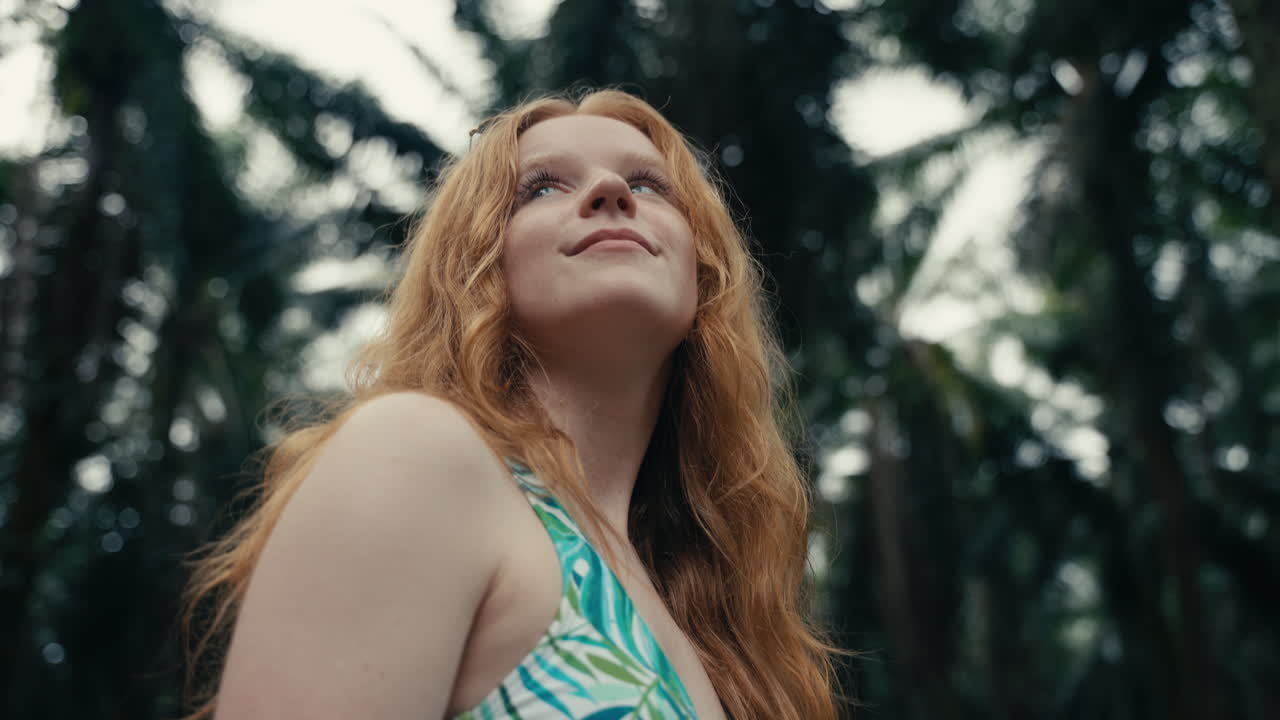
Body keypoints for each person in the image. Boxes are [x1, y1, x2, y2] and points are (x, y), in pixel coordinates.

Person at [178, 89, 847, 720]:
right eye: (542, 187)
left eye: (648, 185)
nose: (611, 192)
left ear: (706, 273)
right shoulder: (417, 451)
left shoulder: (700, 623)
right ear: (476, 265)